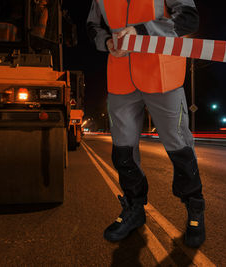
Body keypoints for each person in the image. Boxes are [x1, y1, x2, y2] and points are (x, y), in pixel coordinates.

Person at [87, 0, 205, 248]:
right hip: (121, 76)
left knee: (179, 147)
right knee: (123, 152)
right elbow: (93, 26)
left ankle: (195, 211)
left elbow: (189, 18)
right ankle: (134, 209)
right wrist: (107, 42)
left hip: (162, 73)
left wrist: (140, 32)